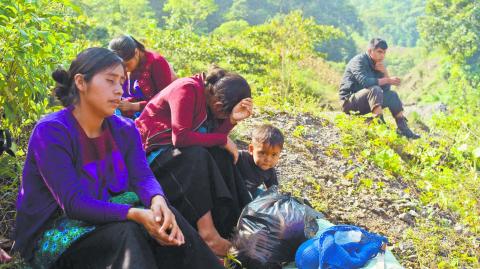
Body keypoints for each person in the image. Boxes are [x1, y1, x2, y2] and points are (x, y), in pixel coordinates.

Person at [13, 48, 224, 269]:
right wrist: (134, 213)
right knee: (128, 231)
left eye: (121, 82)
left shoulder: (124, 128)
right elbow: (73, 204)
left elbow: (143, 176)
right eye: (110, 81)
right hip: (55, 231)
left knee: (165, 217)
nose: (118, 91)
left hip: (104, 212)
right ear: (81, 83)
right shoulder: (52, 131)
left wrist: (157, 200)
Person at [135, 66, 253, 256]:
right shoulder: (187, 89)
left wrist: (230, 121)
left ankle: (237, 224)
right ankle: (208, 234)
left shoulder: (209, 100)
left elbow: (211, 139)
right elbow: (180, 138)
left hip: (175, 157)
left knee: (221, 156)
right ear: (217, 101)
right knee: (197, 155)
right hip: (151, 158)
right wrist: (223, 139)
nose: (219, 114)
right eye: (222, 111)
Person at [339, 38, 420, 139]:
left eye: (384, 53)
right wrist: (388, 80)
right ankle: (381, 126)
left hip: (366, 101)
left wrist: (385, 72)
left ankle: (403, 128)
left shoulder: (377, 64)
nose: (382, 56)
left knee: (392, 95)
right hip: (349, 102)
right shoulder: (358, 61)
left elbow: (386, 90)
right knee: (375, 89)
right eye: (379, 52)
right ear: (370, 51)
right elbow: (365, 82)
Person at [108, 35, 176, 117]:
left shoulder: (156, 62)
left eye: (126, 65)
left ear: (136, 52)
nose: (124, 69)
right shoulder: (132, 66)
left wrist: (134, 106)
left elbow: (165, 101)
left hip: (159, 116)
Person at [236, 124, 283, 199]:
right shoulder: (240, 157)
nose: (268, 159)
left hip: (251, 192)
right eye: (263, 153)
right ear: (251, 149)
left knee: (266, 198)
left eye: (273, 155)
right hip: (234, 189)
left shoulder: (270, 171)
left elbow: (273, 190)